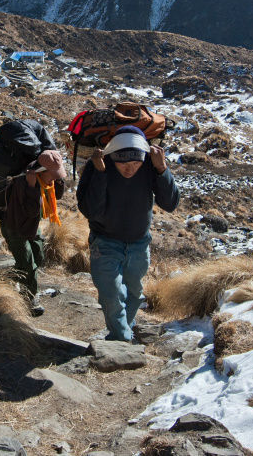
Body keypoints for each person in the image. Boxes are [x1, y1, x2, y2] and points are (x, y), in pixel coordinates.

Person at [77, 125, 179, 342]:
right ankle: (123, 339)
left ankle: (122, 331)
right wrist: (101, 173)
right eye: (123, 162)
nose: (129, 168)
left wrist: (162, 170)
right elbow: (90, 210)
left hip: (139, 243)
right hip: (104, 242)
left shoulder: (151, 166)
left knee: (134, 294)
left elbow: (170, 203)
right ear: (113, 154)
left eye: (135, 163)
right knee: (111, 293)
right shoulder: (98, 165)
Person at [1, 148, 66, 316]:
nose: (56, 177)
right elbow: (29, 211)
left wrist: (58, 180)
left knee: (38, 256)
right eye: (54, 174)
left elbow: (57, 195)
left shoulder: (45, 179)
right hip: (15, 227)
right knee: (29, 265)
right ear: (42, 171)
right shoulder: (23, 182)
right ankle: (30, 298)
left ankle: (12, 277)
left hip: (30, 226)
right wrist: (31, 187)